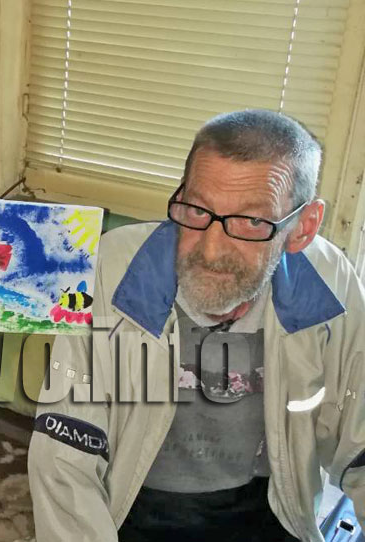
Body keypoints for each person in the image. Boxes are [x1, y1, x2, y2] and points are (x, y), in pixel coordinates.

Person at [28, 109, 365, 542]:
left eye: (252, 221)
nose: (210, 250)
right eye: (197, 209)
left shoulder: (328, 282)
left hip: (269, 508)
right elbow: (64, 463)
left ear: (302, 228)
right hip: (131, 508)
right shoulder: (111, 271)